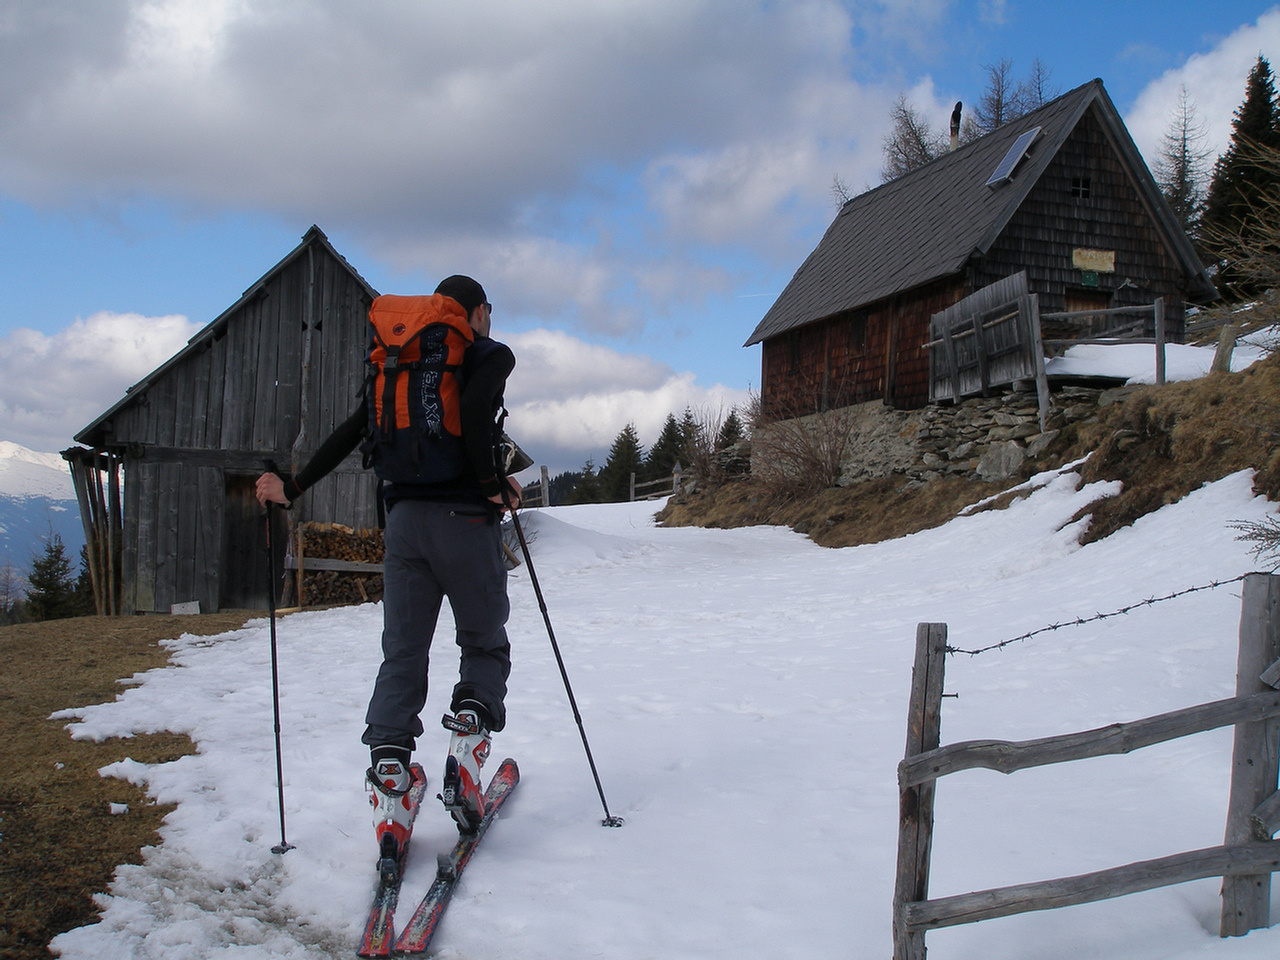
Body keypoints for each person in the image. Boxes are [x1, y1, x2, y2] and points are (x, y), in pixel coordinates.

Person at [255, 275, 521, 854]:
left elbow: (354, 430)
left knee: (403, 651)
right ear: (476, 311)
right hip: (467, 523)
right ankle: (468, 747)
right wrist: (489, 483)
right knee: (483, 641)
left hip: (402, 526)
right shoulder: (485, 354)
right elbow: (475, 409)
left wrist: (293, 485)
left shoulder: (394, 362)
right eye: (488, 313)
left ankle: (393, 784)